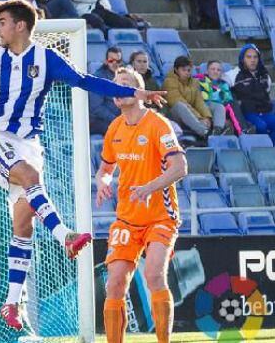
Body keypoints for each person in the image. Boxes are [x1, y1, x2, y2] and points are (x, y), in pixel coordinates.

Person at [0, 0, 164, 331]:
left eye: (3, 21)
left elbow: (84, 81)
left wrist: (134, 93)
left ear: (20, 25)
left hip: (29, 145)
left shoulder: (46, 59)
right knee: (30, 177)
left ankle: (11, 304)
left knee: (23, 225)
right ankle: (66, 235)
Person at [95, 67, 187, 343]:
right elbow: (105, 169)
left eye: (125, 83)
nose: (118, 89)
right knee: (114, 284)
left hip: (160, 215)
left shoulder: (159, 125)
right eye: (115, 85)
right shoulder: (114, 128)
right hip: (126, 217)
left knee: (154, 274)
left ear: (139, 92)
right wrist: (102, 181)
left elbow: (181, 167)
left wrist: (149, 187)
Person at [226, 43, 275, 138]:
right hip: (247, 113)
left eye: (255, 57)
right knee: (261, 126)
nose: (252, 60)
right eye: (249, 57)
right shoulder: (233, 74)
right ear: (243, 58)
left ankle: (271, 145)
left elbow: (268, 91)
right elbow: (221, 87)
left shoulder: (265, 75)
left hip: (265, 113)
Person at [163, 56, 212, 138]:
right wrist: (199, 117)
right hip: (173, 115)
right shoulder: (169, 82)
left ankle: (217, 131)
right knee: (180, 105)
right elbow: (178, 102)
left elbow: (199, 102)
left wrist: (207, 117)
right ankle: (204, 132)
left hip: (192, 116)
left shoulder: (194, 82)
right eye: (183, 70)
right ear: (176, 70)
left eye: (189, 70)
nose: (187, 73)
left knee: (217, 106)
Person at [194, 60, 244, 134]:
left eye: (218, 70)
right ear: (207, 71)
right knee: (220, 107)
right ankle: (240, 130)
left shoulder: (224, 84)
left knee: (231, 104)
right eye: (213, 69)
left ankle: (237, 130)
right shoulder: (200, 81)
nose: (215, 72)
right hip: (206, 107)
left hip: (222, 110)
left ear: (221, 73)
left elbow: (227, 99)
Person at [89, 47, 123, 135]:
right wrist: (116, 119)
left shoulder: (123, 76)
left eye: (118, 61)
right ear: (106, 61)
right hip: (98, 121)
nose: (115, 64)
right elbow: (96, 108)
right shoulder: (98, 78)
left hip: (117, 118)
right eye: (111, 61)